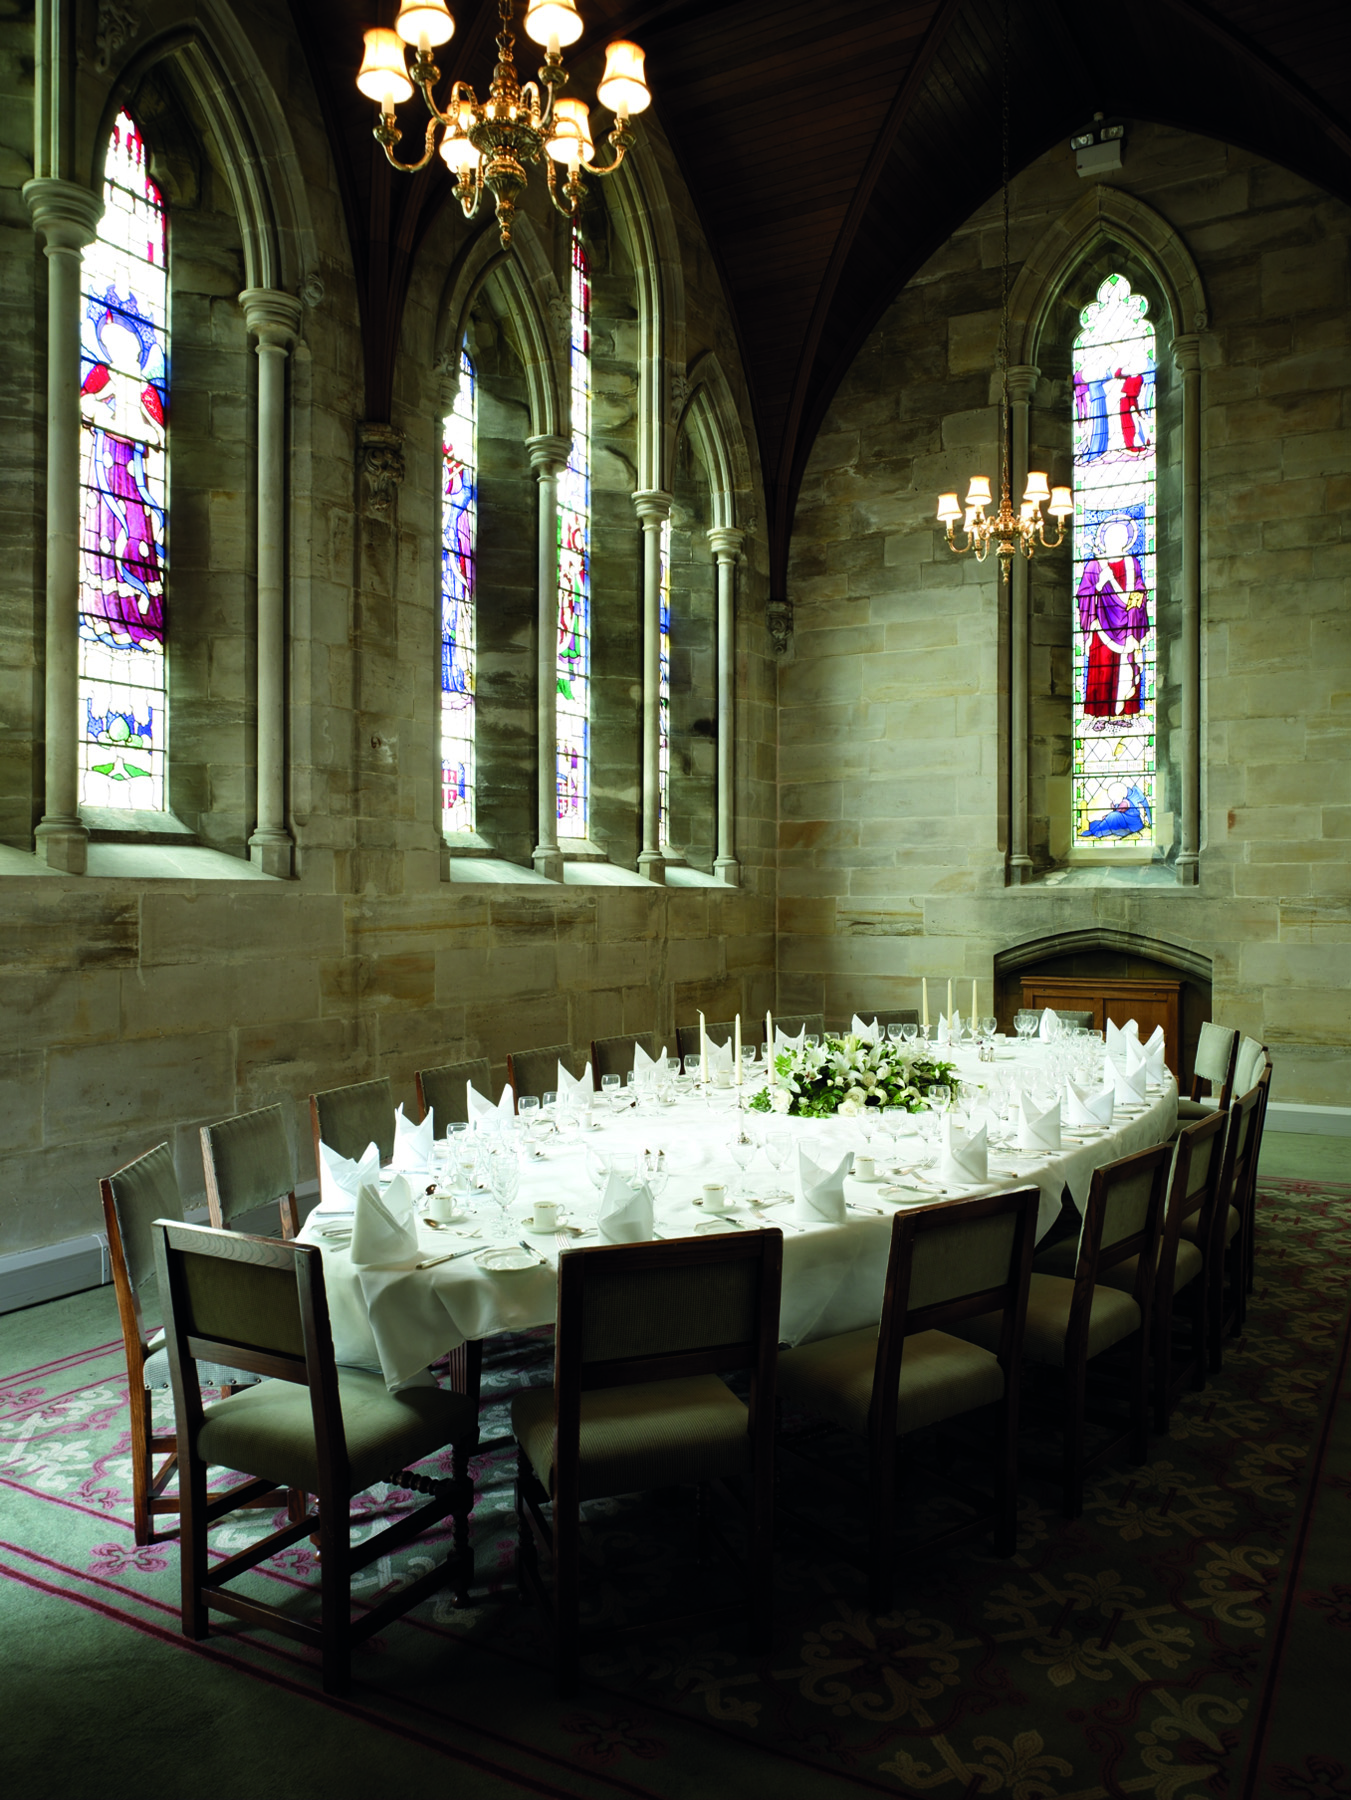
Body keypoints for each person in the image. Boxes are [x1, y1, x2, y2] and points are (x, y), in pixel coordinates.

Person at [1077, 519, 1149, 719]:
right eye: (1110, 537)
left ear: (1126, 540)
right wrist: (1100, 583)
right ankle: (1100, 715)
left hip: (1127, 625)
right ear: (1104, 539)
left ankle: (1124, 714)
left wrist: (1133, 608)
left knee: (1125, 666)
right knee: (1102, 669)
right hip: (1100, 624)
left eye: (1119, 537)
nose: (1114, 540)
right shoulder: (1094, 565)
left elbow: (1140, 590)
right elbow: (1084, 594)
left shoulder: (1132, 563)